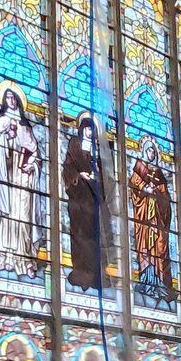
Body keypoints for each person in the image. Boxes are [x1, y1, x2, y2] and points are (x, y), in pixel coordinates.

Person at [0, 86, 41, 277]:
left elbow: (35, 153)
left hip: (21, 179)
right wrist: (5, 137)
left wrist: (31, 164)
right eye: (7, 98)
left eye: (13, 98)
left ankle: (23, 260)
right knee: (5, 217)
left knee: (22, 216)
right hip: (4, 174)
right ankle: (4, 257)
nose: (11, 101)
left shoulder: (26, 127)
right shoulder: (0, 121)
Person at [62, 112, 114, 291]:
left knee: (95, 236)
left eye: (93, 130)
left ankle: (95, 273)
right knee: (80, 234)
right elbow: (67, 169)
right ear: (82, 129)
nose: (90, 133)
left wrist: (96, 176)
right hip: (78, 199)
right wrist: (78, 177)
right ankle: (81, 271)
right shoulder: (74, 145)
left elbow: (105, 174)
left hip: (93, 200)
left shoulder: (96, 150)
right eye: (87, 129)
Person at [129, 139, 175, 307]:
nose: (152, 154)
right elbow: (133, 184)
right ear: (144, 152)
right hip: (144, 218)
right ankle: (147, 279)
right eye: (149, 151)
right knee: (145, 247)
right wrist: (144, 189)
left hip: (157, 218)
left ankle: (160, 282)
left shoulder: (159, 174)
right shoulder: (139, 167)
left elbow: (167, 198)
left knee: (159, 246)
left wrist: (157, 194)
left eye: (154, 152)